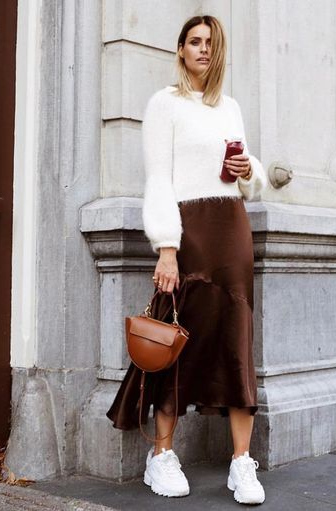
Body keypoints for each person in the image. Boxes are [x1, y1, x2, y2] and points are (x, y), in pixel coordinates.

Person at [106, 14, 267, 505]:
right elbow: (158, 179)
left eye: (211, 43)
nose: (203, 50)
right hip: (189, 232)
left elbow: (247, 173)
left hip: (232, 228)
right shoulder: (164, 104)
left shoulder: (230, 107)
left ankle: (242, 462)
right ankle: (161, 454)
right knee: (180, 341)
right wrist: (167, 247)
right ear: (180, 50)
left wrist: (248, 169)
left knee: (237, 337)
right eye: (194, 42)